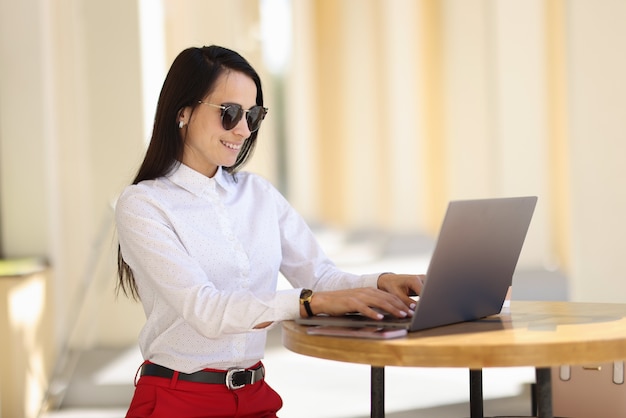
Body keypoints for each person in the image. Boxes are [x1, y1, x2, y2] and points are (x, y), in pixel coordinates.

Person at [115, 45, 425, 418]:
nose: (243, 129)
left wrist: (382, 281)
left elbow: (320, 275)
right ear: (183, 112)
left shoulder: (258, 194)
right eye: (229, 113)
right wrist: (308, 303)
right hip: (179, 401)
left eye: (253, 115)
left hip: (255, 398)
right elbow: (206, 310)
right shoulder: (144, 204)